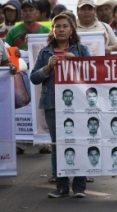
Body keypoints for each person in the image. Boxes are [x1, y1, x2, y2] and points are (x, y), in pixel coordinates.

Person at [30, 14, 90, 198]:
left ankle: (79, 186)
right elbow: (33, 78)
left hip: (78, 104)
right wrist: (47, 68)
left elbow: (92, 75)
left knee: (79, 143)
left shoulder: (81, 50)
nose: (61, 29)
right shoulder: (45, 52)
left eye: (65, 26)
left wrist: (77, 63)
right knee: (58, 145)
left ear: (72, 29)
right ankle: (62, 186)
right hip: (53, 104)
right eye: (58, 26)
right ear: (53, 30)